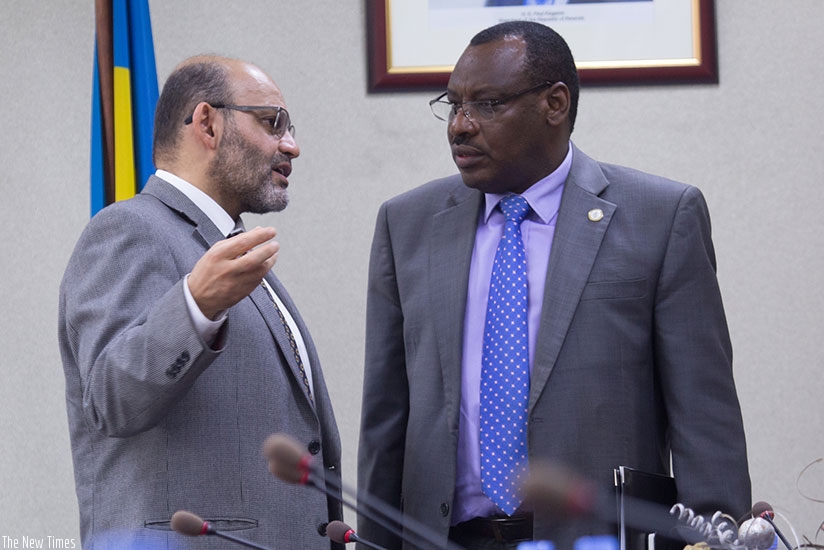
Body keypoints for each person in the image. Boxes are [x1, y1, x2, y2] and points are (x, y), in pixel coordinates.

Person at [357, 21, 751, 550]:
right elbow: (386, 419)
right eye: (453, 105)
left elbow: (705, 420)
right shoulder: (407, 223)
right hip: (445, 537)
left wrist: (718, 539)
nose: (460, 126)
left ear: (555, 103)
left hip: (599, 538)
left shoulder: (660, 218)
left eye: (488, 104)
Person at [59, 55, 342, 549]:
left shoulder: (229, 247)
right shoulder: (131, 229)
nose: (291, 146)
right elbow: (109, 399)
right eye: (273, 122)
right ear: (208, 123)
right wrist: (194, 306)